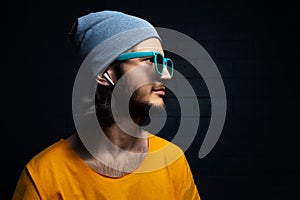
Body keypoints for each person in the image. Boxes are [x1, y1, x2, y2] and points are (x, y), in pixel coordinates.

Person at [13, 10, 200, 199]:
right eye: (149, 61)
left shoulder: (171, 161)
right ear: (105, 74)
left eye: (164, 62)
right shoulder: (44, 175)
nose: (165, 75)